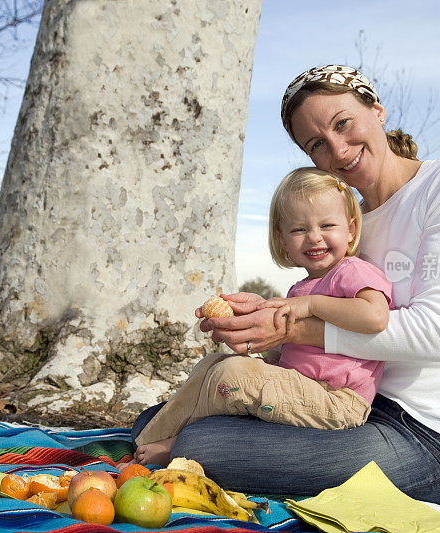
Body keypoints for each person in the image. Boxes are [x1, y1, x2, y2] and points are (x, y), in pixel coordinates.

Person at [130, 65, 440, 509]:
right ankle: (172, 439)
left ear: (377, 111)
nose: (338, 148)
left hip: (439, 445)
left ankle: (181, 443)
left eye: (343, 123)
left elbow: (433, 335)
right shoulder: (350, 221)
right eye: (316, 144)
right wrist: (270, 310)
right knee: (162, 417)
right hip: (359, 410)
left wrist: (286, 327)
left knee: (206, 444)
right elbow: (330, 301)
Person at [131, 167, 393, 466]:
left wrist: (311, 305)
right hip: (302, 386)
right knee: (214, 364)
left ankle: (178, 445)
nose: (314, 237)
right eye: (299, 229)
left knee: (232, 378)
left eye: (327, 225)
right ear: (282, 239)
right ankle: (146, 443)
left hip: (338, 400)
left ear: (350, 229)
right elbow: (291, 346)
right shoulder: (300, 288)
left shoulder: (352, 271)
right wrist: (258, 339)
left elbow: (375, 316)